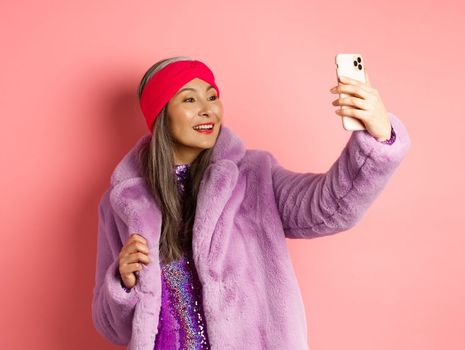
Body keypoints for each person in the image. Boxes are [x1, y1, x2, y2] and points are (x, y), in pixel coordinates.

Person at [91, 56, 410, 349]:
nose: (208, 109)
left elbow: (330, 206)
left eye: (212, 96)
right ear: (160, 114)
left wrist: (378, 138)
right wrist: (122, 281)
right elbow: (114, 329)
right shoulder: (122, 204)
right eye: (190, 99)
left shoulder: (255, 176)